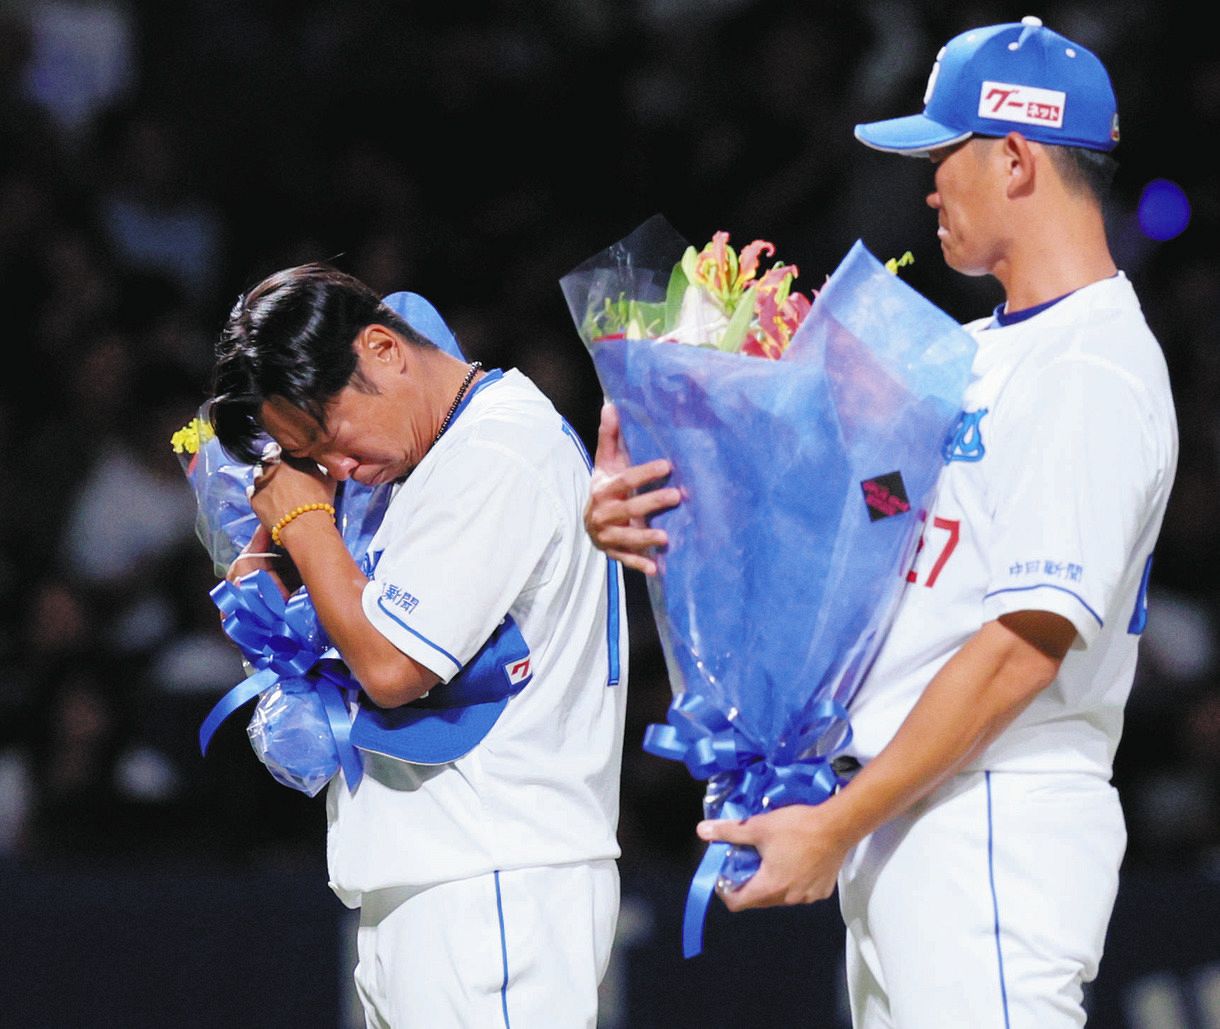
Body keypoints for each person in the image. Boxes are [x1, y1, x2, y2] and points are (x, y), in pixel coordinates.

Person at [585, 17, 1177, 1027]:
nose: (928, 183)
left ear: (1015, 158)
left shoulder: (1089, 366)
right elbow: (843, 554)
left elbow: (1023, 643)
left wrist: (837, 821)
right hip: (915, 808)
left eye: (941, 154)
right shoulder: (983, 351)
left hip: (993, 808)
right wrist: (665, 514)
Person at [209, 263, 627, 1028]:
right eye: (310, 456)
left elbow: (392, 667)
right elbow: (268, 616)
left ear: (385, 349)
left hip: (493, 884)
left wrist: (307, 523)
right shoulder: (427, 458)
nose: (334, 470)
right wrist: (278, 526)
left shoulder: (498, 448)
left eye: (326, 439)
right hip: (442, 882)